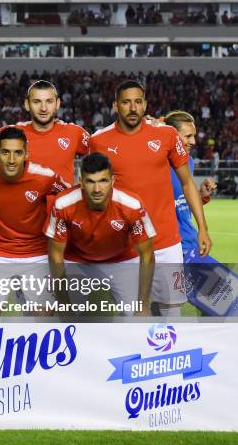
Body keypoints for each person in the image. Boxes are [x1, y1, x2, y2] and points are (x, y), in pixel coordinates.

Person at [90, 80, 212, 317]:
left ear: (145, 104)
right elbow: (93, 191)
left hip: (167, 242)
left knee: (171, 312)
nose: (133, 108)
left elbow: (187, 183)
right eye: (126, 102)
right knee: (131, 314)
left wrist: (202, 229)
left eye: (138, 102)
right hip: (124, 245)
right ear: (116, 106)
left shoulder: (166, 135)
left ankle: (169, 354)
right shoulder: (99, 141)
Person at [0, 127, 70, 316]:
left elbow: (74, 197)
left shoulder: (45, 176)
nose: (11, 160)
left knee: (43, 321)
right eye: (5, 152)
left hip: (35, 256)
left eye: (18, 153)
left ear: (26, 153)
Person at [45, 153, 156, 316]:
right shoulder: (63, 204)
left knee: (138, 318)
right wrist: (63, 305)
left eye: (103, 181)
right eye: (90, 181)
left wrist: (144, 305)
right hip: (78, 260)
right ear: (81, 182)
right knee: (60, 316)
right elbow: (55, 254)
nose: (97, 189)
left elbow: (147, 254)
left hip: (122, 260)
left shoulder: (131, 205)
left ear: (112, 181)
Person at [164, 110, 237, 316]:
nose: (194, 141)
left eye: (193, 135)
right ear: (171, 135)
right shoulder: (157, 166)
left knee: (225, 304)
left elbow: (181, 203)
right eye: (187, 136)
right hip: (176, 252)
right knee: (225, 307)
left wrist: (201, 195)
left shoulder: (188, 162)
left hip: (193, 247)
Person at [0, 80, 90, 183]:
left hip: (64, 198)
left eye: (49, 101)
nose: (43, 108)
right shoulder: (10, 133)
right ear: (27, 104)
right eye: (37, 102)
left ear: (57, 104)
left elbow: (101, 151)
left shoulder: (75, 133)